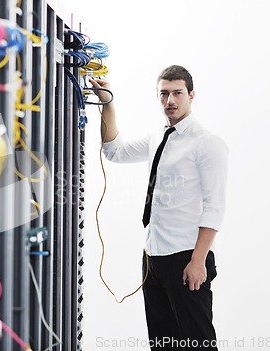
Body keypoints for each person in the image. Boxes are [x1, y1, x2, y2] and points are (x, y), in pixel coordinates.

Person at [89, 65, 228, 350]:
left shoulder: (207, 143)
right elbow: (115, 151)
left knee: (197, 344)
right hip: (153, 258)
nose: (170, 101)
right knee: (163, 343)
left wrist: (198, 260)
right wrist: (107, 102)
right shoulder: (158, 136)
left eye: (177, 93)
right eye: (164, 94)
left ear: (191, 95)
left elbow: (214, 207)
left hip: (187, 257)